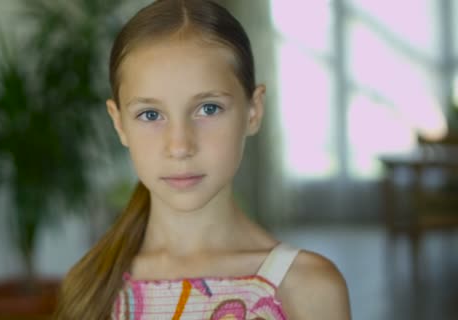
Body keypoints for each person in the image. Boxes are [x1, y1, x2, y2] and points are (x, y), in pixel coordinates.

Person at [53, 0, 351, 319]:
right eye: (150, 114)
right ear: (119, 123)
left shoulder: (307, 288)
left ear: (254, 111)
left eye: (208, 108)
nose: (180, 146)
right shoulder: (89, 289)